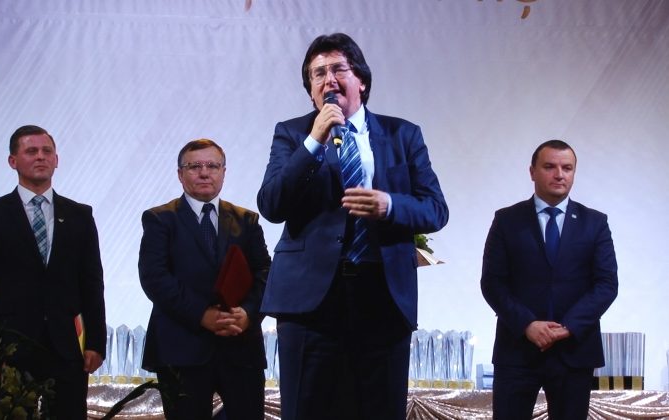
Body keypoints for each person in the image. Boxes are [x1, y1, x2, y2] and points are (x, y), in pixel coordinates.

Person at [257, 33, 449, 419]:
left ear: (360, 80)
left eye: (338, 69)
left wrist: (389, 205)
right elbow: (272, 205)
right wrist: (313, 141)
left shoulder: (402, 134)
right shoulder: (291, 134)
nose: (329, 79)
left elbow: (435, 209)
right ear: (311, 89)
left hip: (382, 297)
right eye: (318, 74)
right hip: (310, 303)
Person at [0, 125, 107, 418]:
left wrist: (96, 342)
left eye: (47, 151)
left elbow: (92, 283)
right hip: (10, 348)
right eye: (31, 151)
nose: (41, 157)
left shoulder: (80, 215)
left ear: (56, 159)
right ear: (13, 161)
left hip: (67, 348)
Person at [480, 139, 618, 419]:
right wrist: (527, 324)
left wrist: (568, 327)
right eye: (549, 167)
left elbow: (606, 285)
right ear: (532, 171)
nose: (559, 174)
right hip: (517, 348)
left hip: (574, 351)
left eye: (567, 168)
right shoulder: (507, 220)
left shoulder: (595, 222)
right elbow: (492, 283)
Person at [138, 139, 271, 420]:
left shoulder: (247, 220)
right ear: (180, 174)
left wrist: (248, 314)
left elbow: (265, 274)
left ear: (224, 172)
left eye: (212, 166)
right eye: (194, 166)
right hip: (181, 347)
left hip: (240, 346)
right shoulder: (159, 219)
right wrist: (202, 315)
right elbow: (154, 278)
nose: (204, 172)